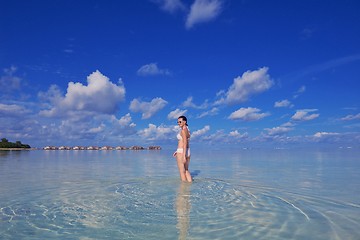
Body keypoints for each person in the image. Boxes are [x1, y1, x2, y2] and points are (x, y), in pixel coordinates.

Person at [173, 116, 192, 182]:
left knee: (181, 171)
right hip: (188, 151)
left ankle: (183, 190)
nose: (178, 123)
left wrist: (183, 155)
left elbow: (184, 142)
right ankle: (190, 184)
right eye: (177, 122)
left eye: (180, 122)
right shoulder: (188, 130)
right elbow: (185, 142)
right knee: (186, 170)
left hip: (182, 152)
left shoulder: (183, 131)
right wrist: (177, 151)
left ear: (185, 122)